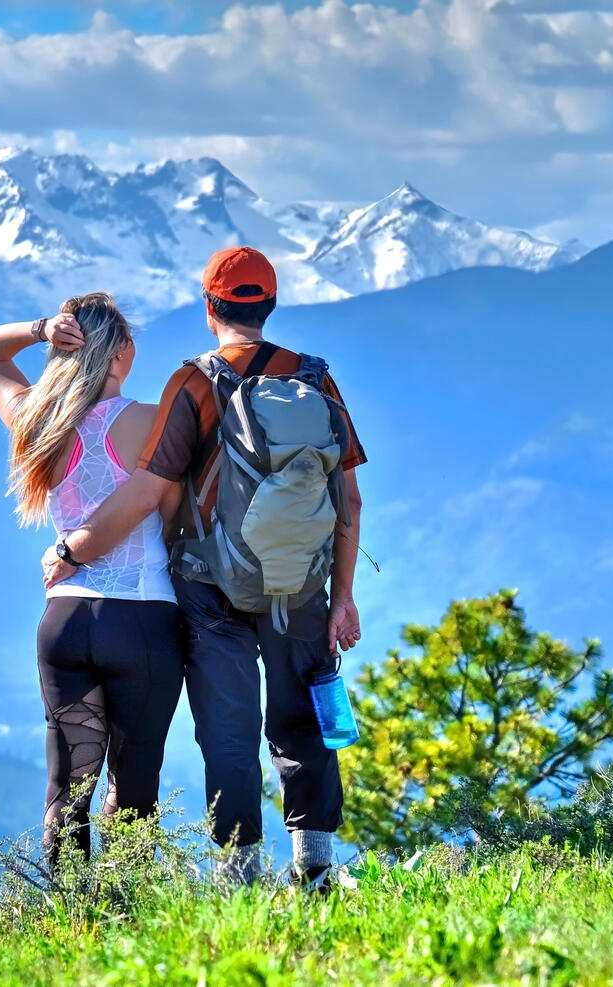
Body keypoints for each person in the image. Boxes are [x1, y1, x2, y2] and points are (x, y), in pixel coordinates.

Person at [43, 248, 367, 888]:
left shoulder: (193, 382)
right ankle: (316, 870)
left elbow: (149, 489)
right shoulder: (317, 381)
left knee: (228, 725)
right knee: (302, 714)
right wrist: (342, 599)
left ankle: (238, 871)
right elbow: (348, 497)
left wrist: (72, 551)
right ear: (269, 305)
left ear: (210, 307)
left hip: (209, 585)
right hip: (299, 582)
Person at [0, 293, 184, 866]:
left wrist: (40, 329)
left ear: (64, 351)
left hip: (64, 621)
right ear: (123, 353)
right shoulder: (148, 420)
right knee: (134, 790)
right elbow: (173, 513)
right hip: (141, 617)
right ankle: (127, 920)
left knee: (67, 791)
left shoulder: (35, 420)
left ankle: (72, 920)